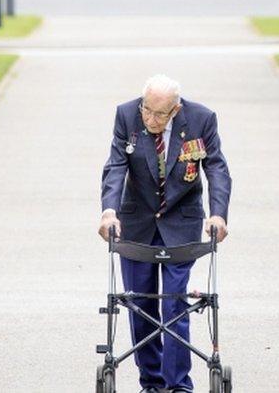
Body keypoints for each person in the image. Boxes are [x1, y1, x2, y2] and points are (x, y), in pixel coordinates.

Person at [99, 74, 232, 393]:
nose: (150, 118)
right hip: (137, 223)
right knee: (140, 304)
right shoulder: (126, 114)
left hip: (181, 222)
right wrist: (108, 211)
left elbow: (216, 168)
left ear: (175, 110)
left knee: (174, 302)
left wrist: (217, 214)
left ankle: (177, 384)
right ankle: (152, 382)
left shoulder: (201, 119)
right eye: (147, 110)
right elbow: (116, 166)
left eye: (159, 114)